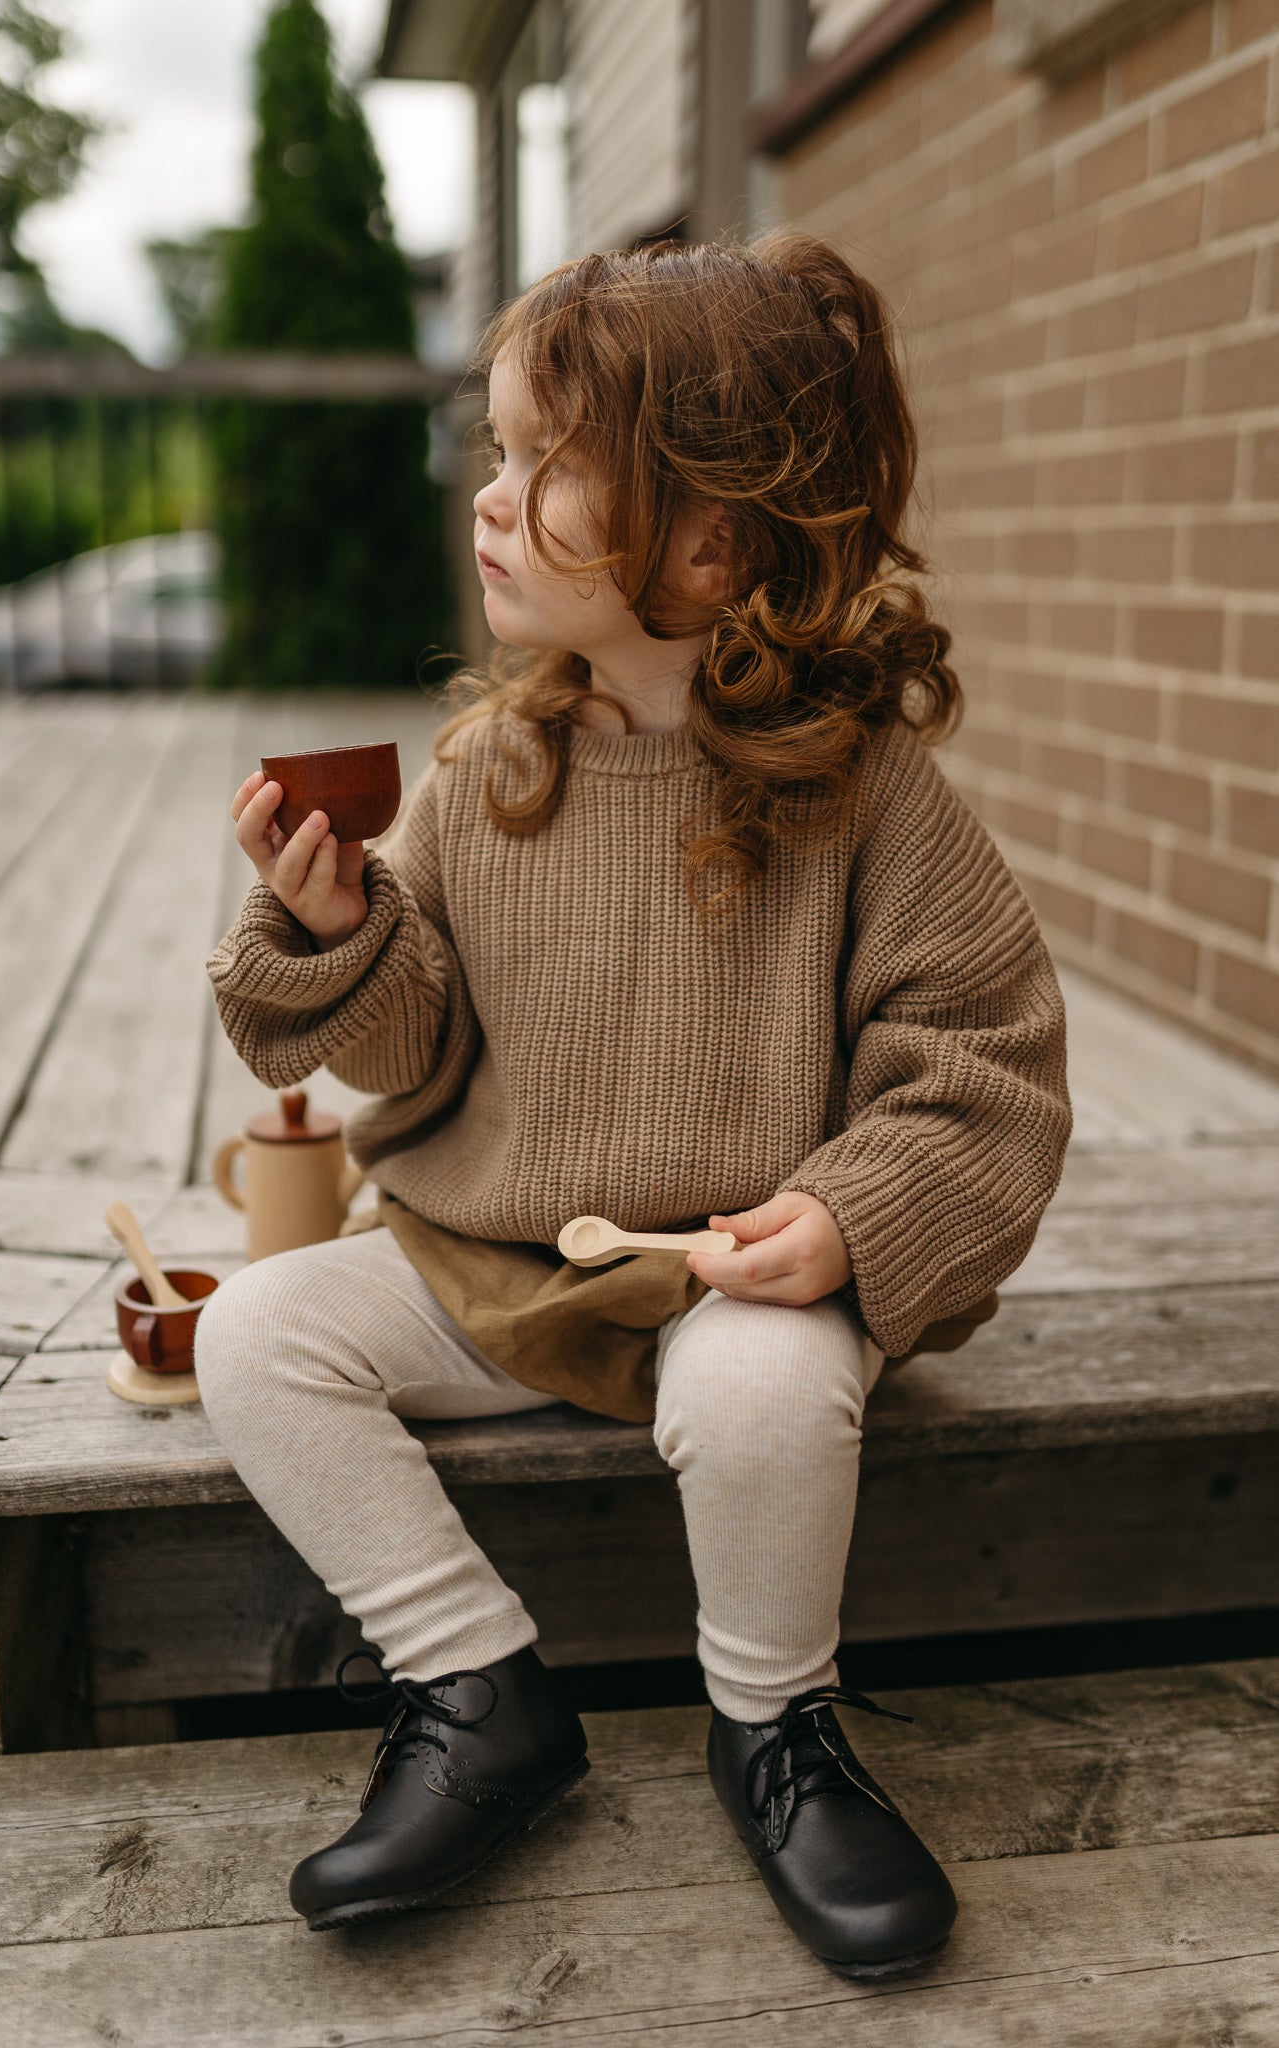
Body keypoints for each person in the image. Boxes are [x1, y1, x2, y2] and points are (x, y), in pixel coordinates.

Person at [196, 231, 1072, 1979]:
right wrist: (344, 926)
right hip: (490, 1260)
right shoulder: (488, 771)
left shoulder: (863, 795)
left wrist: (839, 1224)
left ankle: (772, 1728)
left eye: (547, 465)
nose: (492, 500)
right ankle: (475, 1686)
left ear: (711, 533)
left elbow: (982, 1060)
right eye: (494, 454)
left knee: (764, 1398)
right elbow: (406, 1048)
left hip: (725, 1267)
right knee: (260, 1334)